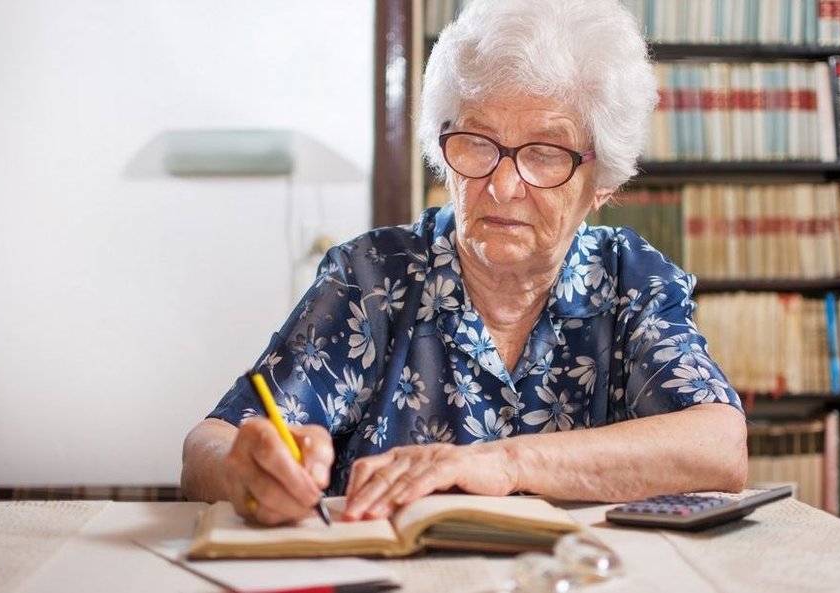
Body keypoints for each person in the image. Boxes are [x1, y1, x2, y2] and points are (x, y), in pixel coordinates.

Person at [181, 0, 747, 526]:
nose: (501, 186)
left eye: (546, 153)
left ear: (601, 181)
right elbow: (208, 445)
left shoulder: (631, 280)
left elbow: (719, 446)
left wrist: (505, 464)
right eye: (477, 142)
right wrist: (243, 466)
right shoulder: (372, 277)